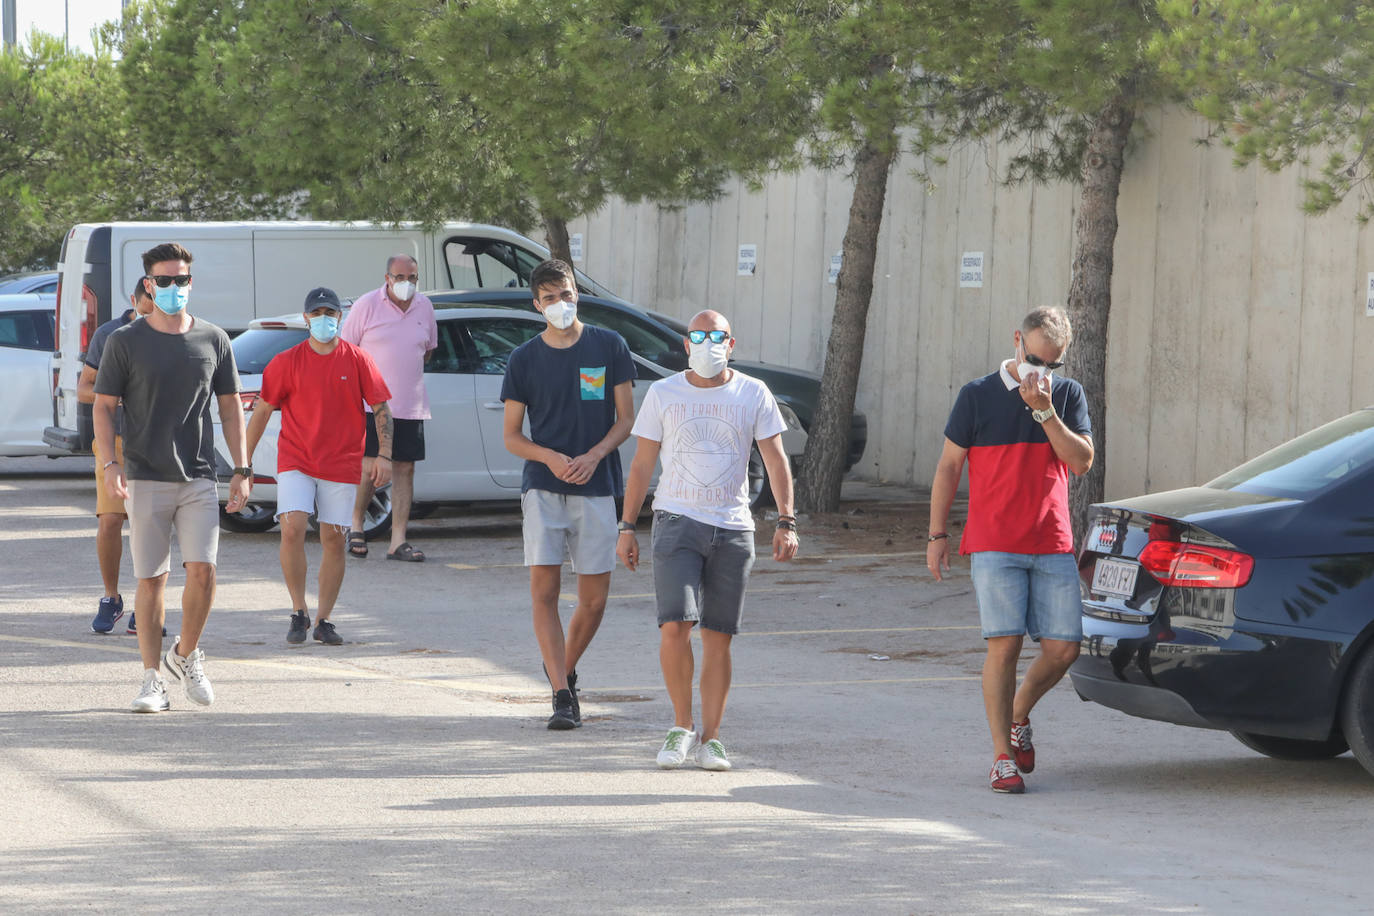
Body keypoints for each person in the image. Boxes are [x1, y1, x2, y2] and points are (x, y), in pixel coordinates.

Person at [617, 309, 799, 771]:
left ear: (731, 344)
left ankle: (712, 738)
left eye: (717, 335)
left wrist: (786, 520)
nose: (707, 343)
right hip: (676, 522)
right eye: (697, 335)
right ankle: (681, 727)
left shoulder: (753, 392)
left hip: (733, 528)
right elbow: (641, 464)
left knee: (719, 637)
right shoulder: (663, 393)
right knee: (675, 626)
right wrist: (626, 526)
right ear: (685, 345)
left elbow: (776, 459)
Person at [926, 306, 1093, 794]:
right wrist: (938, 535)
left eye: (1054, 364)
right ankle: (1002, 756)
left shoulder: (1067, 395)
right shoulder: (976, 396)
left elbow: (1081, 462)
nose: (1044, 371)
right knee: (1006, 645)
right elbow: (948, 467)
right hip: (995, 540)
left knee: (1064, 650)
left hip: (1052, 538)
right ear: (1017, 341)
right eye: (1037, 358)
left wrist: (1045, 413)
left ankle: (1019, 713)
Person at [93, 242, 252, 713]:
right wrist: (110, 464)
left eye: (181, 280)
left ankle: (185, 654)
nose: (174, 288)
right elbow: (104, 407)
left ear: (190, 282)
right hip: (144, 476)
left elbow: (229, 408)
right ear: (149, 284)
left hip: (199, 475)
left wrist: (242, 469)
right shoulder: (125, 341)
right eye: (165, 281)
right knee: (152, 580)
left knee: (203, 571)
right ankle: (151, 681)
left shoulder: (213, 339)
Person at [501, 258, 635, 729]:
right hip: (543, 489)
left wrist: (595, 455)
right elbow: (512, 436)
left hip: (597, 486)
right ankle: (561, 693)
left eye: (568, 293)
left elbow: (625, 420)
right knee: (545, 592)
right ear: (538, 305)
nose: (562, 303)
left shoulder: (609, 345)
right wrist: (551, 458)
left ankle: (563, 666)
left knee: (594, 599)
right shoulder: (523, 359)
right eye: (551, 298)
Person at [244, 288, 394, 646]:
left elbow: (382, 408)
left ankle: (324, 618)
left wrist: (385, 455)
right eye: (318, 313)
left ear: (339, 317)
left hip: (341, 463)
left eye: (331, 312)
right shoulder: (286, 361)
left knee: (333, 538)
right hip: (297, 458)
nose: (324, 318)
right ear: (307, 317)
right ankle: (299, 610)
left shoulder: (358, 359)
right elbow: (262, 410)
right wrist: (243, 463)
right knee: (292, 527)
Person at [339, 254, 437, 562]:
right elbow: (346, 351)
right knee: (370, 468)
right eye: (400, 277)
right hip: (371, 405)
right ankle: (356, 524)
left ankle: (398, 541)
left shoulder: (425, 307)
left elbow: (428, 352)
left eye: (412, 278)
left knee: (404, 469)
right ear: (387, 278)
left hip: (410, 404)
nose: (406, 283)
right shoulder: (367, 305)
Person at [82, 276, 160, 636]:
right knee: (110, 522)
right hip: (114, 442)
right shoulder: (110, 335)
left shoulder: (170, 335)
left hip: (156, 444)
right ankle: (112, 597)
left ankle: (147, 605)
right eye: (149, 301)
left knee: (150, 527)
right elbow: (84, 389)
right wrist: (119, 396)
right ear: (135, 299)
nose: (155, 308)